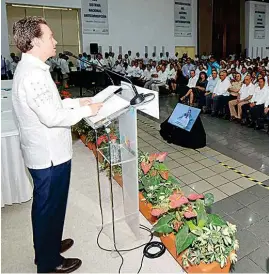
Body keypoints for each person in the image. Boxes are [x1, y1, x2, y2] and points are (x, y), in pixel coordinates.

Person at [12, 16, 103, 273]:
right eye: (50, 36)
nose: (55, 40)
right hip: (49, 156)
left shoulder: (33, 69)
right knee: (48, 206)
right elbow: (52, 117)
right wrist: (87, 111)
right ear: (35, 42)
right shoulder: (34, 76)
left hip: (44, 152)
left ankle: (47, 245)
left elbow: (50, 107)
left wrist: (78, 103)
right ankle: (49, 262)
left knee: (48, 205)